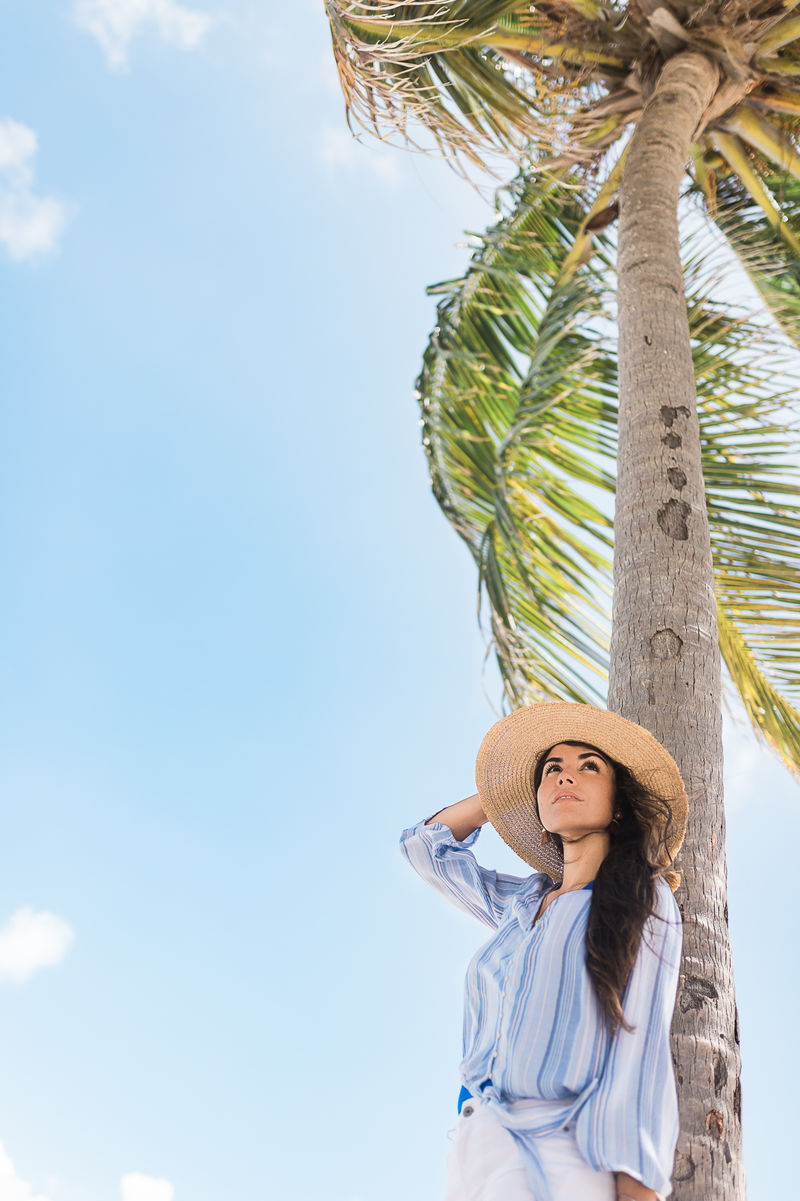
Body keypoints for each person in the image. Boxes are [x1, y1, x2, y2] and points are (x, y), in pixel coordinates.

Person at [400, 702, 688, 1201]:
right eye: (552, 771)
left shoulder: (638, 898)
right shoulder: (521, 903)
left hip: (561, 1150)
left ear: (618, 805)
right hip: (472, 1148)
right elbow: (425, 850)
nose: (564, 778)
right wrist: (503, 797)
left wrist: (637, 1190)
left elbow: (639, 1049)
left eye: (588, 768)